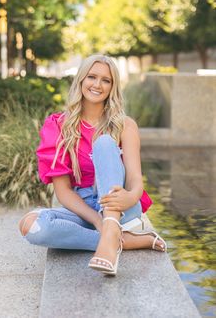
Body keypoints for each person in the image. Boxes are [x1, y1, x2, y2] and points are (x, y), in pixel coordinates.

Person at [18, 54, 167, 276]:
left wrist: (131, 196)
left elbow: (136, 179)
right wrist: (100, 221)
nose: (97, 85)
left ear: (112, 86)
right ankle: (119, 239)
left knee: (105, 142)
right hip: (85, 208)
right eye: (92, 77)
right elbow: (63, 192)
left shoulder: (124, 125)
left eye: (106, 80)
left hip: (122, 205)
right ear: (81, 80)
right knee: (30, 225)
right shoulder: (58, 125)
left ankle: (111, 233)